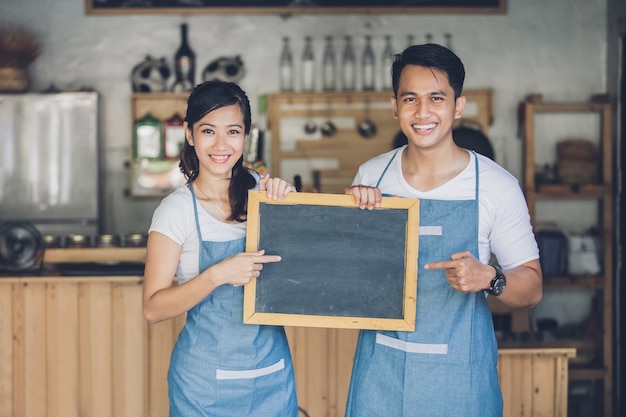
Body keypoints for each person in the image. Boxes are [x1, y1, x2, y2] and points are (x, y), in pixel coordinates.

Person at [344, 44, 543, 417]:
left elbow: (532, 287)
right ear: (394, 106)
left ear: (458, 106)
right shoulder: (373, 176)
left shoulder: (496, 186)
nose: (422, 113)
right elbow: (348, 277)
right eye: (410, 99)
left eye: (436, 98)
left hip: (460, 382)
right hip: (380, 377)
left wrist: (490, 278)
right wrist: (349, 220)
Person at [142, 80, 298, 417]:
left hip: (271, 377)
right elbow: (153, 309)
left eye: (233, 131)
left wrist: (293, 206)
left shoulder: (264, 192)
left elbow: (303, 271)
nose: (221, 144)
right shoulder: (176, 210)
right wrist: (217, 275)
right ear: (189, 134)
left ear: (247, 135)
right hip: (203, 386)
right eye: (208, 131)